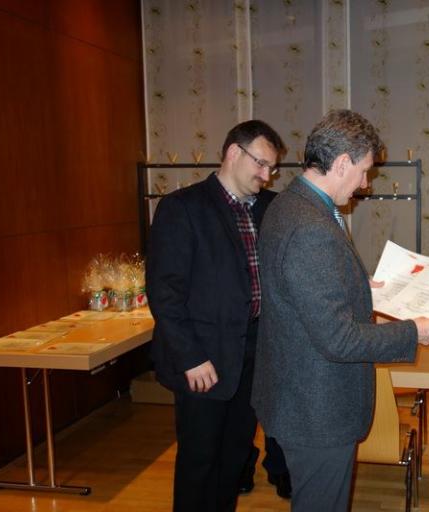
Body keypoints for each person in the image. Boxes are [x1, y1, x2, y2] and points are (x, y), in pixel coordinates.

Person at [251, 109, 429, 512]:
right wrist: (413, 331)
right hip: (316, 407)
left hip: (298, 394)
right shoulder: (310, 227)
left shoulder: (289, 205)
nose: (365, 184)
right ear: (341, 163)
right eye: (364, 171)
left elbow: (297, 293)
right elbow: (338, 338)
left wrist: (357, 287)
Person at [146, 120, 291, 511]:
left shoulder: (269, 208)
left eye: (272, 168)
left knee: (234, 456)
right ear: (232, 153)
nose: (267, 175)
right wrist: (190, 357)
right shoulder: (183, 208)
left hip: (253, 354)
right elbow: (164, 293)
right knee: (200, 461)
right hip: (204, 359)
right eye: (261, 164)